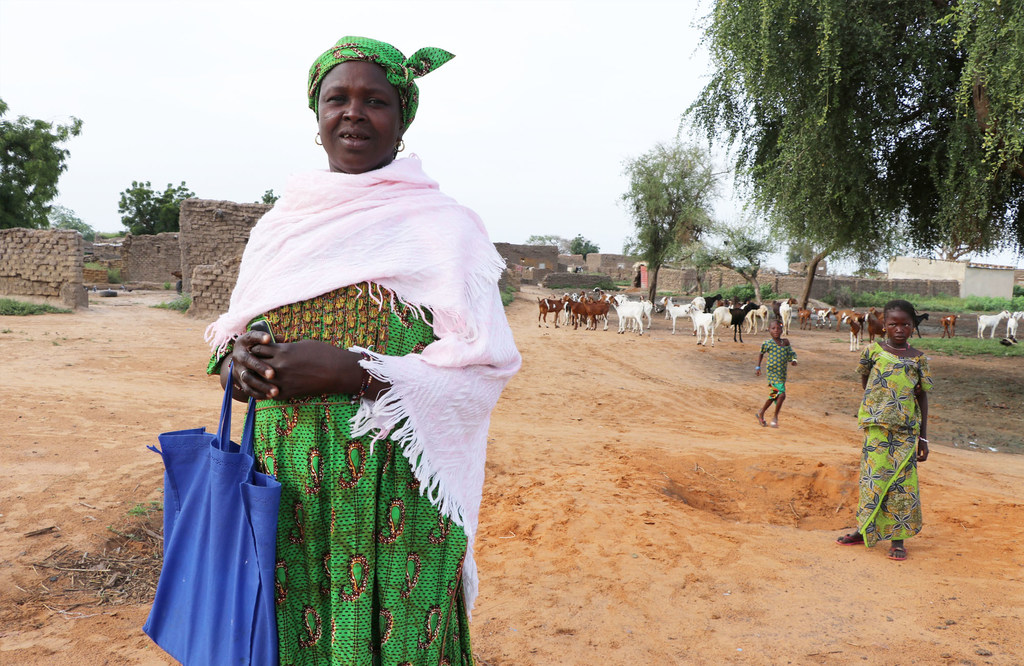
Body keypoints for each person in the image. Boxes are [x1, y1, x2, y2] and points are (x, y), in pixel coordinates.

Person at [204, 36, 521, 665]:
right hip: (288, 495)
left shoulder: (444, 231)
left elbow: (484, 371)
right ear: (316, 117)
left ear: (401, 122)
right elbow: (235, 340)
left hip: (402, 498)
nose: (354, 112)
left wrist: (354, 372)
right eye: (337, 99)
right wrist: (238, 367)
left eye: (375, 100)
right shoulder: (282, 228)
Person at [836, 299, 931, 561]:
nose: (899, 329)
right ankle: (863, 529)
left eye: (905, 324)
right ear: (884, 326)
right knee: (872, 480)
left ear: (913, 326)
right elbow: (866, 380)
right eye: (893, 324)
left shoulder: (918, 359)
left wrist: (923, 437)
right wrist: (877, 405)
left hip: (906, 431)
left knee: (902, 484)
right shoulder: (873, 351)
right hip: (877, 428)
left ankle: (897, 539)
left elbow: (922, 397)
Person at [755, 319, 797, 427]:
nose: (776, 331)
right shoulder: (767, 343)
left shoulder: (785, 342)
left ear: (782, 329)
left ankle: (761, 412)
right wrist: (758, 367)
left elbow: (790, 354)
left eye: (779, 328)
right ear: (768, 330)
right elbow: (761, 353)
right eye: (773, 328)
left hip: (782, 373)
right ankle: (775, 417)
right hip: (772, 373)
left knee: (774, 395)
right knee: (781, 395)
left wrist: (793, 360)